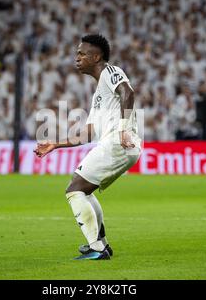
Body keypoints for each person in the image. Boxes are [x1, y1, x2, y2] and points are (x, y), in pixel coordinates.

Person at [34, 34, 142, 260]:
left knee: (74, 190)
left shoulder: (111, 72)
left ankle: (97, 248)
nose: (77, 58)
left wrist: (123, 129)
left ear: (97, 56)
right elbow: (87, 134)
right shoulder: (99, 95)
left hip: (119, 141)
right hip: (118, 143)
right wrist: (55, 144)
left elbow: (128, 93)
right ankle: (101, 243)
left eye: (82, 54)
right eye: (77, 53)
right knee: (84, 189)